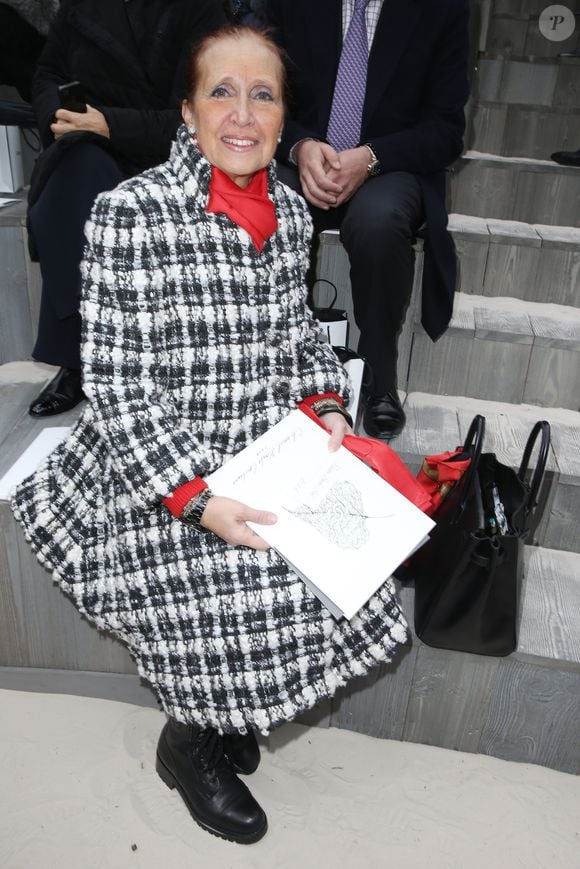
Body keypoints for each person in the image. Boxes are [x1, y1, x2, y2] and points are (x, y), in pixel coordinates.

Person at [11, 25, 409, 845]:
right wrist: (198, 499)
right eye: (221, 92)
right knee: (239, 576)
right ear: (187, 114)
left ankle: (227, 706)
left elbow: (298, 334)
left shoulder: (293, 213)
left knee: (344, 558)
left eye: (262, 94)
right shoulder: (130, 213)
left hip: (260, 437)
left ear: (284, 116)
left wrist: (327, 405)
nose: (242, 112)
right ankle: (188, 738)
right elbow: (118, 386)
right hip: (154, 460)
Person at [264, 0, 470, 439]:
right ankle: (275, 366)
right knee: (272, 203)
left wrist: (371, 158)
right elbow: (262, 92)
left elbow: (446, 131)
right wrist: (299, 146)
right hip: (302, 155)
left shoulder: (443, 9)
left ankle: (379, 377)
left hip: (390, 163)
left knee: (378, 223)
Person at [26, 0, 226, 418]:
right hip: (91, 146)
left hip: (170, 154)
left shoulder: (204, 10)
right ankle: (80, 361)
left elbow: (206, 114)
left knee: (118, 196)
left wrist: (109, 123)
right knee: (76, 178)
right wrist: (57, 118)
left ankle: (150, 364)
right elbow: (47, 73)